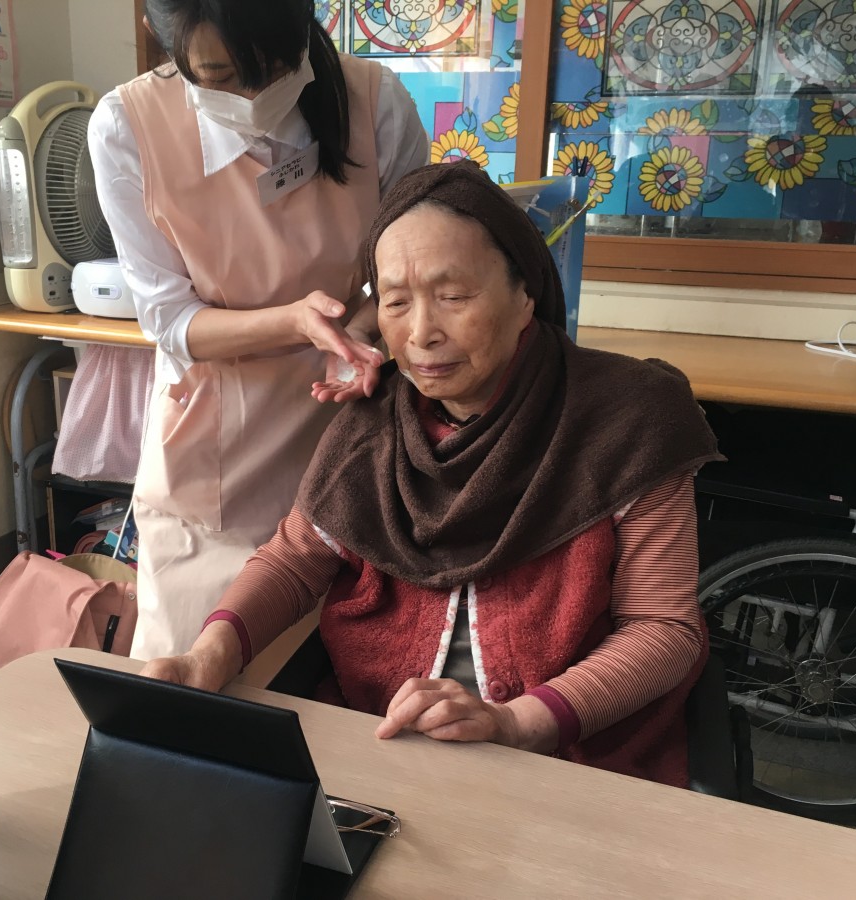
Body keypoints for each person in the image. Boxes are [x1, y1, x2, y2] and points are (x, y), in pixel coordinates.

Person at [141, 161, 724, 787]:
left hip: (569, 756)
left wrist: (516, 724)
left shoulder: (629, 420)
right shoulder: (372, 425)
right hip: (382, 739)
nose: (421, 333)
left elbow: (662, 630)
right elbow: (294, 561)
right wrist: (209, 655)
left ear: (524, 294)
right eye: (396, 302)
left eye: (454, 297)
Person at [88, 0, 429, 660]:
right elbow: (170, 319)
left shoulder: (375, 102)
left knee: (340, 685)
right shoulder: (128, 128)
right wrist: (297, 321)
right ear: (161, 39)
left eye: (272, 68)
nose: (251, 95)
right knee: (197, 680)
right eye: (219, 75)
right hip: (215, 461)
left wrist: (361, 333)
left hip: (349, 435)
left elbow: (402, 271)